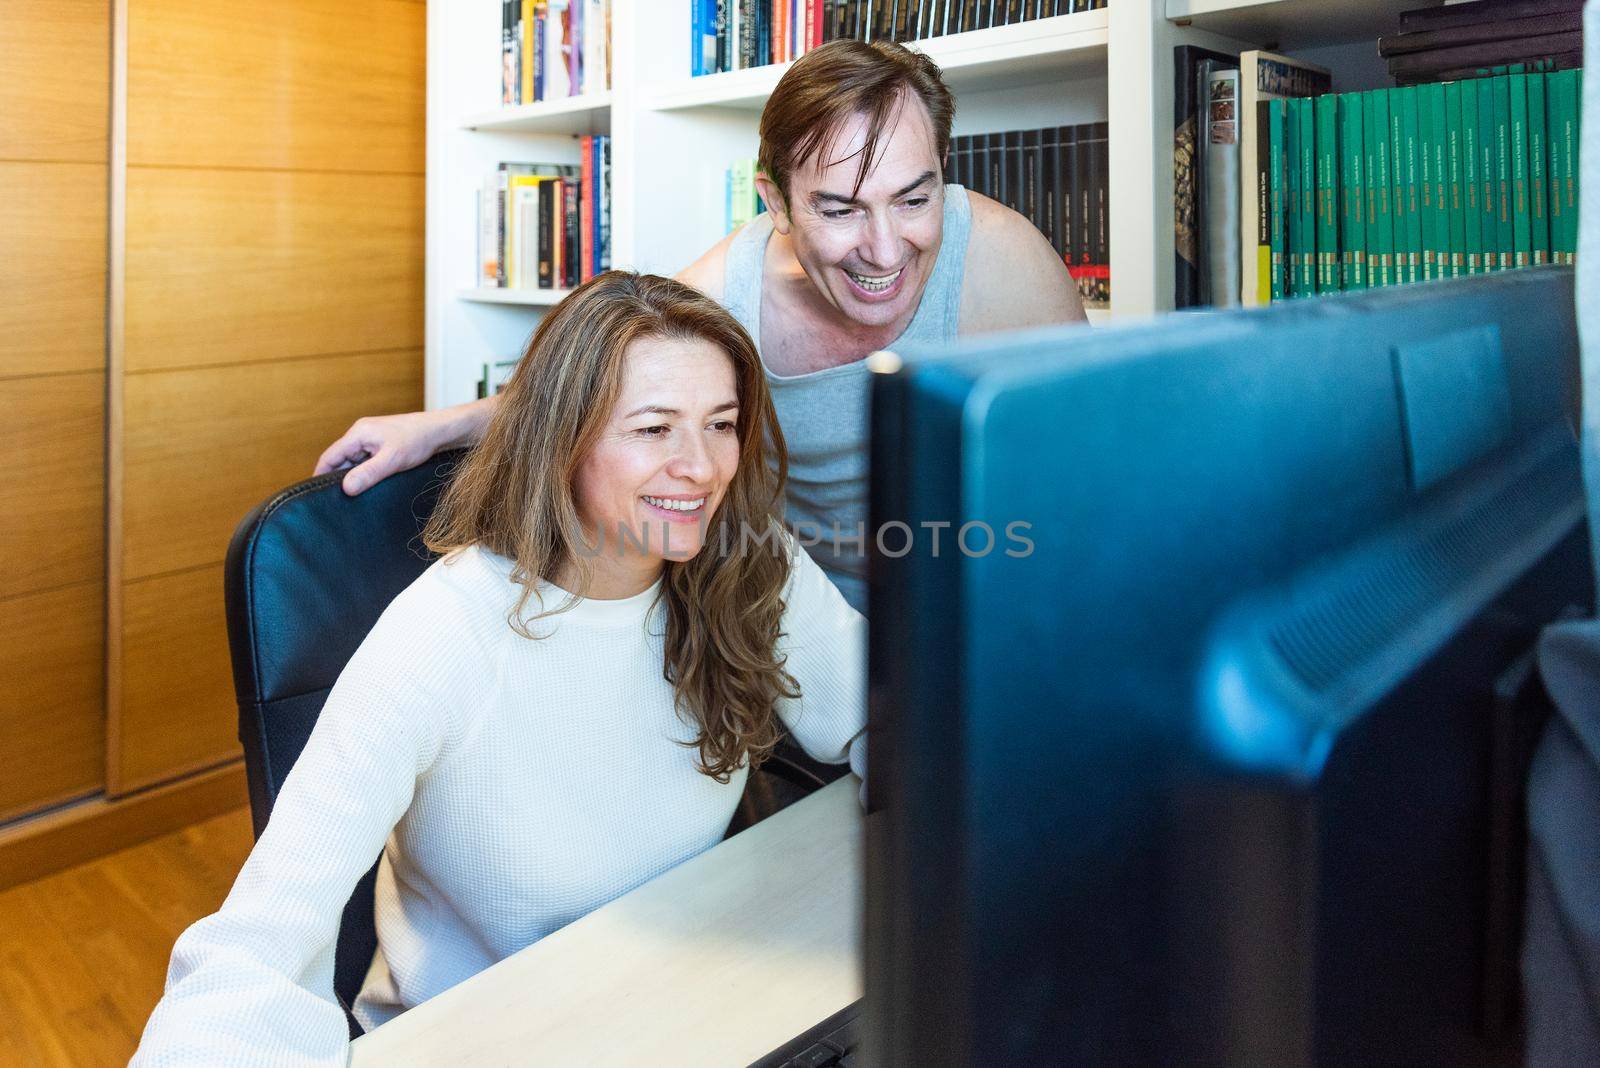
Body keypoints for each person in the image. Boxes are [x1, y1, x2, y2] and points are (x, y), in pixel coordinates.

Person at [132, 273, 866, 1064]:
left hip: (677, 1005)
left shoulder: (746, 562)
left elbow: (895, 714)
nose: (700, 467)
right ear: (564, 438)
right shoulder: (445, 633)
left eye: (720, 425)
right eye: (653, 429)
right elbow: (256, 944)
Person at [316, 38, 1088, 613]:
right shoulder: (723, 297)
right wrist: (440, 429)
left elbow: (1098, 475)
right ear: (777, 203)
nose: (886, 250)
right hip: (799, 627)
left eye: (914, 200)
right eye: (840, 208)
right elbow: (591, 395)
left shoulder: (1004, 261)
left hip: (994, 617)